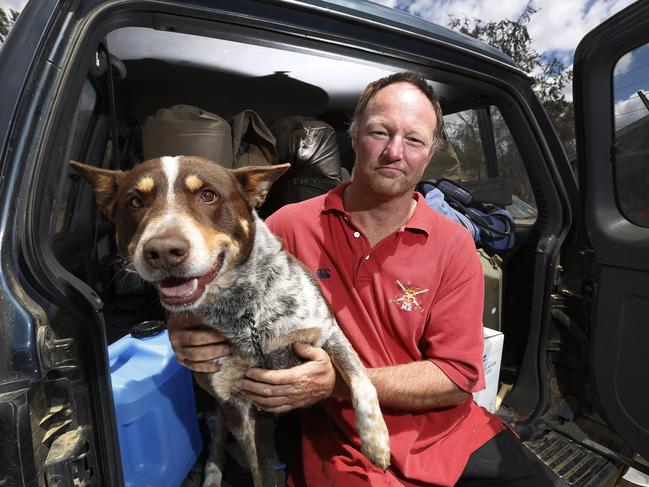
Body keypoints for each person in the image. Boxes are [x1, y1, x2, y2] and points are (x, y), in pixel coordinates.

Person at [168, 72, 556, 486]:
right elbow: (206, 287)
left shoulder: (453, 244)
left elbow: (456, 378)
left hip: (452, 437)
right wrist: (183, 327)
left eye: (414, 140)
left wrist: (337, 382)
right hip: (345, 442)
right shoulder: (287, 227)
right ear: (353, 139)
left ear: (429, 155)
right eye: (380, 132)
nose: (394, 152)